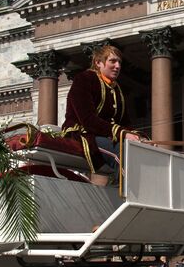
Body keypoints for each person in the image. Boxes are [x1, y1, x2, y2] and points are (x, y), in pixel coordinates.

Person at [59, 44, 143, 185]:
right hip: (83, 134)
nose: (117, 66)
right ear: (98, 62)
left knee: (141, 149)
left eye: (119, 62)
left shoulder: (116, 88)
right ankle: (122, 198)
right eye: (112, 61)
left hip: (106, 136)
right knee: (123, 153)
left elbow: (125, 122)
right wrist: (122, 134)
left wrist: (138, 137)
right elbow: (88, 120)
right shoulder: (84, 79)